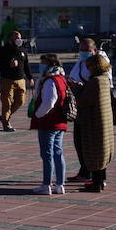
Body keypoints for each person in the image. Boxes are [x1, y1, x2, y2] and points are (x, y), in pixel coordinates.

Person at [68, 37, 112, 183]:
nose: (83, 53)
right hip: (92, 113)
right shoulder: (88, 69)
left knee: (92, 145)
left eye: (86, 50)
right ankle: (90, 174)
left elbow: (87, 97)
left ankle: (95, 178)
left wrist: (78, 88)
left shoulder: (98, 78)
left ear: (94, 50)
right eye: (81, 50)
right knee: (84, 143)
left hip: (92, 114)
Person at [30, 52, 69, 195]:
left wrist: (38, 114)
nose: (40, 65)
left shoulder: (50, 81)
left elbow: (49, 102)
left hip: (49, 122)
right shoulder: (61, 78)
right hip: (60, 121)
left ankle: (46, 185)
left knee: (47, 154)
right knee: (58, 153)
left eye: (43, 63)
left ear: (50, 64)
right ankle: (60, 184)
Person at [0, 29, 32, 132]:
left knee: (20, 101)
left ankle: (4, 116)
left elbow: (26, 65)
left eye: (20, 37)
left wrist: (30, 77)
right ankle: (6, 123)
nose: (19, 40)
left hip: (20, 80)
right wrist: (7, 65)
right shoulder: (3, 50)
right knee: (7, 103)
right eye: (17, 38)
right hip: (7, 80)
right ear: (10, 39)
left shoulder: (22, 50)